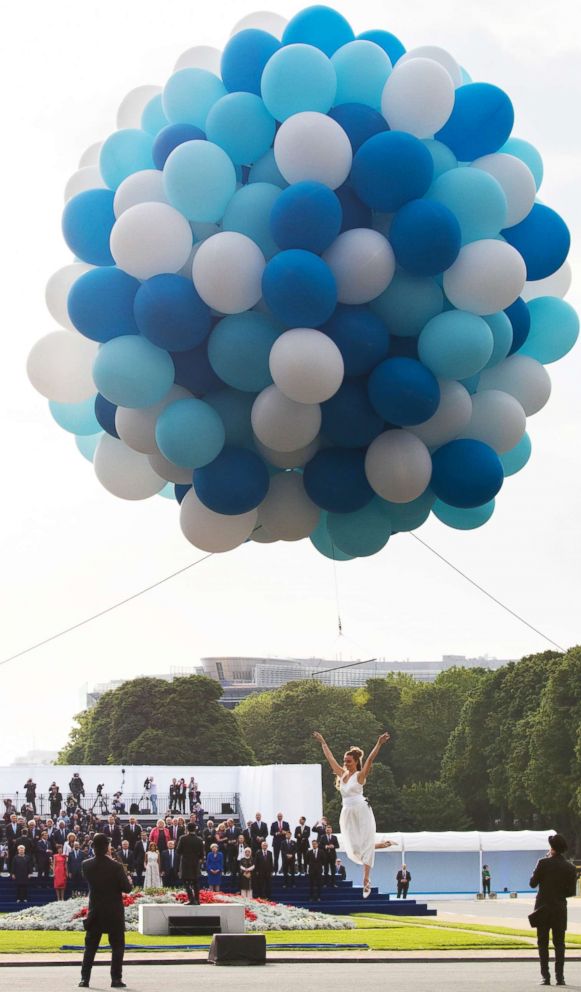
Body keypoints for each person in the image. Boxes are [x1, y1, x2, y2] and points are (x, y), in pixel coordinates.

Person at [313, 730, 396, 897]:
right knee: (352, 846)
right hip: (347, 812)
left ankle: (366, 879)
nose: (346, 763)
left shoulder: (359, 776)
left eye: (349, 761)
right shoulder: (342, 774)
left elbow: (371, 759)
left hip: (361, 810)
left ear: (356, 761)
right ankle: (376, 846)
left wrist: (379, 743)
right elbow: (330, 760)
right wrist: (323, 742)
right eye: (345, 761)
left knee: (364, 841)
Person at [79, 831, 132, 989]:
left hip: (95, 910)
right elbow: (127, 888)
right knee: (117, 946)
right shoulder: (116, 866)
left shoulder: (86, 864)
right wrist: (127, 879)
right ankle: (115, 978)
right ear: (107, 847)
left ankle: (85, 978)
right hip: (114, 911)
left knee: (90, 947)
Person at [529, 833, 578, 987]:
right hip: (559, 909)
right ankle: (560, 977)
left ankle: (546, 976)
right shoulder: (570, 867)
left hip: (543, 908)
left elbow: (532, 883)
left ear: (552, 848)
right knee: (560, 944)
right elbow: (570, 892)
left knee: (542, 943)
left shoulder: (543, 863)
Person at [176, 823, 205, 905]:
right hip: (195, 863)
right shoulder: (199, 839)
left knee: (186, 882)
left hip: (185, 863)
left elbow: (178, 851)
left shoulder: (183, 838)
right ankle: (197, 900)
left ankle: (191, 900)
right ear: (195, 829)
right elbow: (202, 854)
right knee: (195, 882)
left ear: (187, 829)